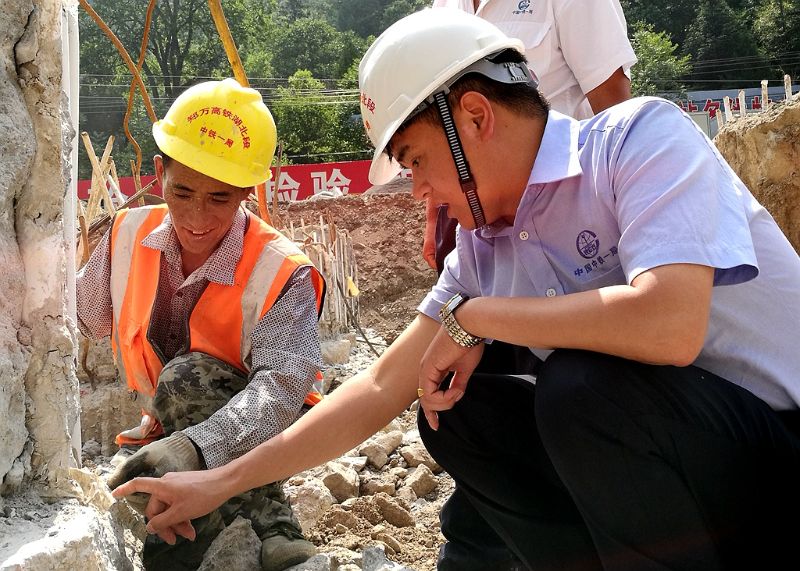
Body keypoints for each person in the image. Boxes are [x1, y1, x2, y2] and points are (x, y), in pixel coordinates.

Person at [113, 10, 800, 571]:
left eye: (416, 160)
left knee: (581, 391)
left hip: (775, 459)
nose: (418, 190)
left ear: (474, 116)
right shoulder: (485, 246)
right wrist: (216, 479)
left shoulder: (635, 142)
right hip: (690, 472)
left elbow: (669, 323)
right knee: (462, 412)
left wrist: (479, 317)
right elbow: (380, 386)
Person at [78, 78, 325, 571]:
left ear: (247, 193)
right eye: (183, 191)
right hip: (162, 421)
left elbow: (279, 389)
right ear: (159, 172)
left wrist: (195, 448)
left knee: (185, 378)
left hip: (265, 425)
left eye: (219, 198)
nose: (196, 217)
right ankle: (251, 526)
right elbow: (81, 319)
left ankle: (266, 521)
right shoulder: (126, 235)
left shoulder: (280, 269)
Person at [424, 0, 637, 272]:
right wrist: (434, 219)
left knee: (573, 295)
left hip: (558, 208)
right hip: (463, 213)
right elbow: (434, 121)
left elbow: (615, 114)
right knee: (465, 299)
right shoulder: (445, 5)